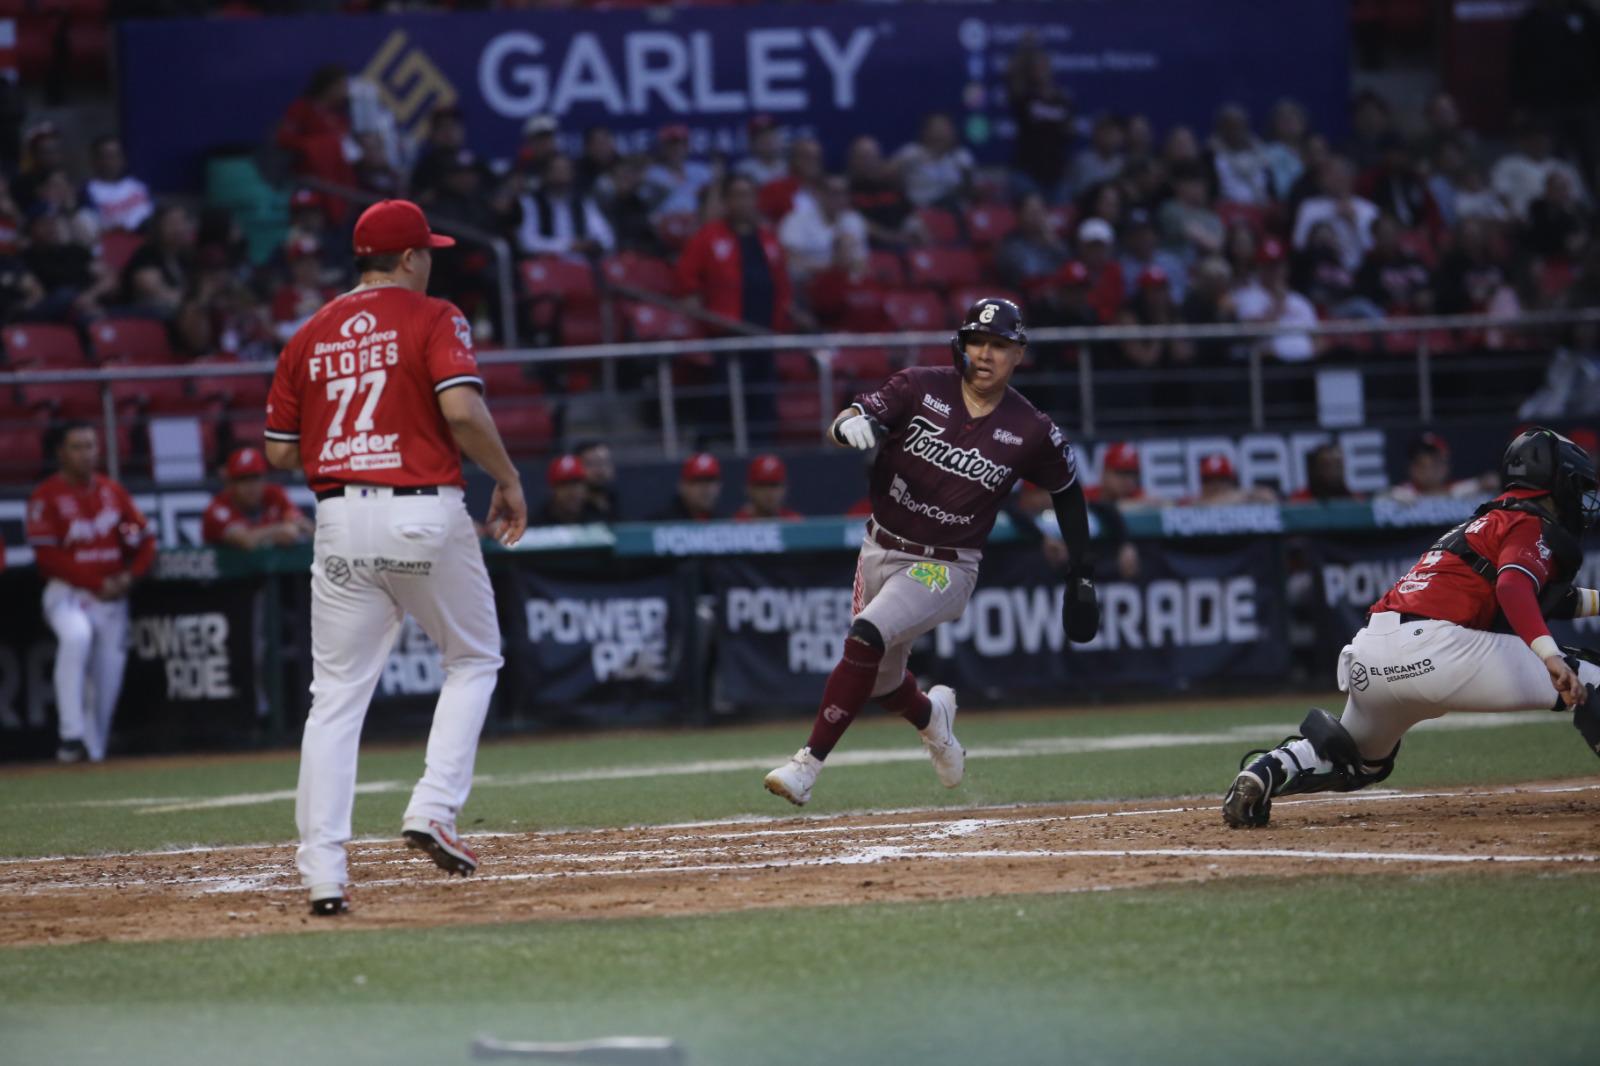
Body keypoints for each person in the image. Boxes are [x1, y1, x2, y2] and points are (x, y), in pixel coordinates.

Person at [263, 198, 527, 917]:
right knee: (473, 659)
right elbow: (464, 412)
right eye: (427, 250)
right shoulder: (433, 315)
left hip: (340, 519)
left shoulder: (307, 335)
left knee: (335, 701)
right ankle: (433, 806)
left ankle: (322, 872)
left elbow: (279, 451)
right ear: (410, 257)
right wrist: (506, 479)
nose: (430, 260)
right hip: (421, 510)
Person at [762, 298, 1098, 806]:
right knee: (878, 681)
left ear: (1018, 354)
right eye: (977, 342)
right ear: (961, 345)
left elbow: (1068, 490)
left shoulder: (1030, 428)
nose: (986, 354)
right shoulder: (919, 385)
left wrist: (1082, 571)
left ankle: (806, 766)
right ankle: (932, 719)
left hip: (945, 566)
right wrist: (847, 424)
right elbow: (851, 417)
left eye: (1000, 345)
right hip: (878, 547)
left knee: (865, 634)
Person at [1223, 428, 1600, 827]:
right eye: (1575, 486)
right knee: (1590, 677)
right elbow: (1512, 587)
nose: (1581, 498)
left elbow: (1542, 599)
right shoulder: (1527, 522)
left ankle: (1268, 770)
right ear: (1555, 482)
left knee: (1358, 760)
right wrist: (1549, 655)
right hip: (1439, 650)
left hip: (1371, 654)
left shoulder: (1488, 522)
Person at [26, 422, 154, 763]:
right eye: (77, 446)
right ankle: (71, 736)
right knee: (77, 638)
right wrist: (97, 583)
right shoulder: (46, 496)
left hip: (113, 596)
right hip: (68, 593)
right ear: (61, 453)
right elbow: (48, 558)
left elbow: (145, 540)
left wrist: (129, 577)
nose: (86, 454)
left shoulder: (112, 492)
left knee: (107, 677)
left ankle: (91, 752)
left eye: (91, 446)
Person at [202, 446, 313, 549]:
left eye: (255, 478)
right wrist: (279, 529)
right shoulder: (218, 508)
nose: (251, 486)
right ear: (230, 483)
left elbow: (304, 525)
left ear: (264, 479)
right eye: (243, 479)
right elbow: (245, 541)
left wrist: (298, 526)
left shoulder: (275, 494)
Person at [1233, 238, 1319, 363]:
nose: (1274, 271)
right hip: (1270, 369)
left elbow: (1317, 337)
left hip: (1305, 368)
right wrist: (1278, 305)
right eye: (1269, 266)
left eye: (1278, 265)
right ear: (1259, 267)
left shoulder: (1299, 300)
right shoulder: (1246, 296)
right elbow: (1249, 333)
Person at [515, 154, 614, 259]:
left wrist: (592, 244)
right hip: (547, 266)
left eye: (565, 170)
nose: (561, 174)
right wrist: (568, 246)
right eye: (556, 170)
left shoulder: (583, 202)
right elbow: (527, 242)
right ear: (546, 174)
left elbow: (606, 238)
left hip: (581, 266)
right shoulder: (530, 203)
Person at [1293, 157, 1379, 273]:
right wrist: (1319, 238)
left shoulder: (1368, 209)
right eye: (1329, 175)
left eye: (1338, 174)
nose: (1334, 179)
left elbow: (1375, 250)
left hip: (1362, 273)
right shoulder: (1309, 207)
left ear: (1350, 178)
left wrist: (1354, 222)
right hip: (1321, 273)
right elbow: (1298, 244)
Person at [778, 174, 868, 283]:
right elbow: (790, 261)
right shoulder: (796, 219)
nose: (840, 198)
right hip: (807, 284)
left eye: (844, 193)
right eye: (834, 193)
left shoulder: (854, 220)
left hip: (844, 285)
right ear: (819, 194)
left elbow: (861, 261)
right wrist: (831, 267)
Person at [894, 112, 973, 208]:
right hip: (919, 210)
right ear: (925, 131)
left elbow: (970, 190)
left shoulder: (961, 156)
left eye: (945, 128)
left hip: (954, 209)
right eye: (936, 128)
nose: (941, 132)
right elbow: (886, 175)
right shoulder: (911, 152)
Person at [1384, 433, 1488, 503]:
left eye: (1435, 462)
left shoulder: (1463, 488)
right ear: (1412, 468)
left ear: (1446, 466)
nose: (1428, 469)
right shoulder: (1400, 494)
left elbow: (1487, 482)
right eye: (1420, 464)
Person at [82, 135, 153, 234]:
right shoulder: (87, 191)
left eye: (116, 155)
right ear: (95, 160)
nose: (112, 161)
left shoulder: (138, 186)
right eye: (107, 156)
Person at [643, 125, 714, 220]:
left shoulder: (701, 171)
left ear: (687, 146)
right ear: (663, 147)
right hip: (663, 225)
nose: (676, 149)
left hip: (697, 225)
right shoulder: (652, 174)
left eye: (680, 144)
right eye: (671, 145)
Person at [655, 452, 722, 521]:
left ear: (719, 486)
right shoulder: (662, 522)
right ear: (682, 486)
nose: (705, 488)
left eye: (710, 481)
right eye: (698, 481)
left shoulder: (725, 522)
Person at [535, 455, 599, 526]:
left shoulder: (598, 518)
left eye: (577, 484)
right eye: (565, 485)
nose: (573, 492)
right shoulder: (537, 523)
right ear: (552, 490)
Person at [734, 454, 802, 520]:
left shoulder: (794, 522)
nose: (768, 492)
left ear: (784, 488)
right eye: (762, 485)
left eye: (774, 485)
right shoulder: (737, 524)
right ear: (749, 489)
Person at [1289, 443, 1360, 502]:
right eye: (1328, 465)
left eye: (1338, 464)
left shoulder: (1356, 501)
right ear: (1316, 468)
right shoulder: (1300, 501)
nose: (1334, 470)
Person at [736, 114, 787, 186]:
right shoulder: (743, 171)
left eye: (771, 135)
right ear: (752, 143)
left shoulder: (789, 167)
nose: (768, 140)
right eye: (762, 137)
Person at [574, 439, 618, 519]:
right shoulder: (569, 509)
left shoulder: (621, 501)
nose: (600, 470)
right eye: (591, 464)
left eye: (605, 463)